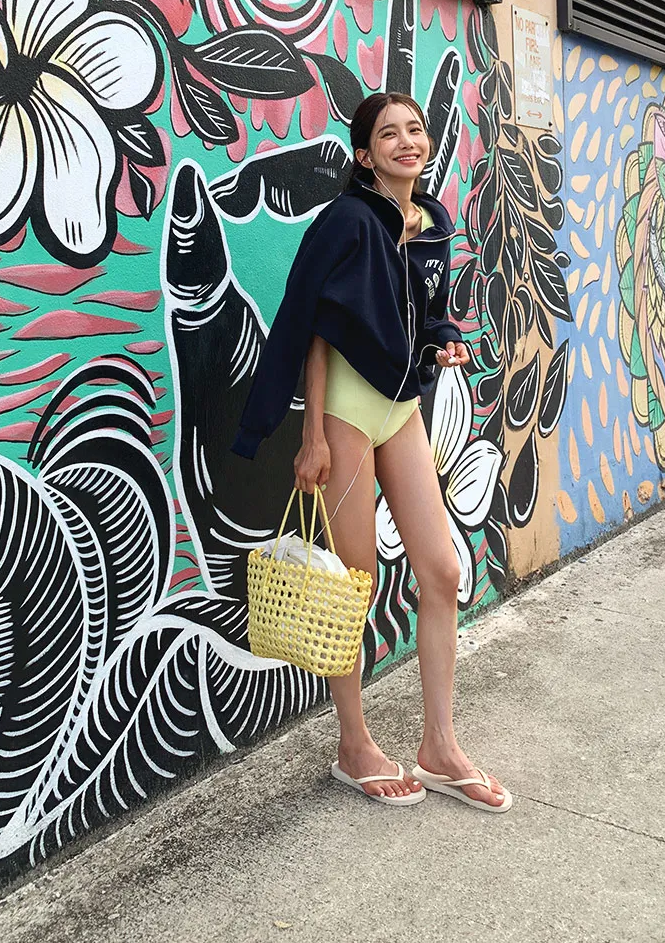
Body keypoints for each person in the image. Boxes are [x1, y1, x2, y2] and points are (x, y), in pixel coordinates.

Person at [233, 92, 510, 811]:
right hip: (347, 416)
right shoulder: (347, 220)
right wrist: (312, 436)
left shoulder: (432, 223)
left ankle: (439, 746)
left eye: (415, 129)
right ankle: (353, 746)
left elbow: (427, 311)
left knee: (442, 570)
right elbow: (314, 325)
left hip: (402, 410)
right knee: (352, 588)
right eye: (389, 134)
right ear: (365, 155)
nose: (406, 141)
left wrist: (443, 339)